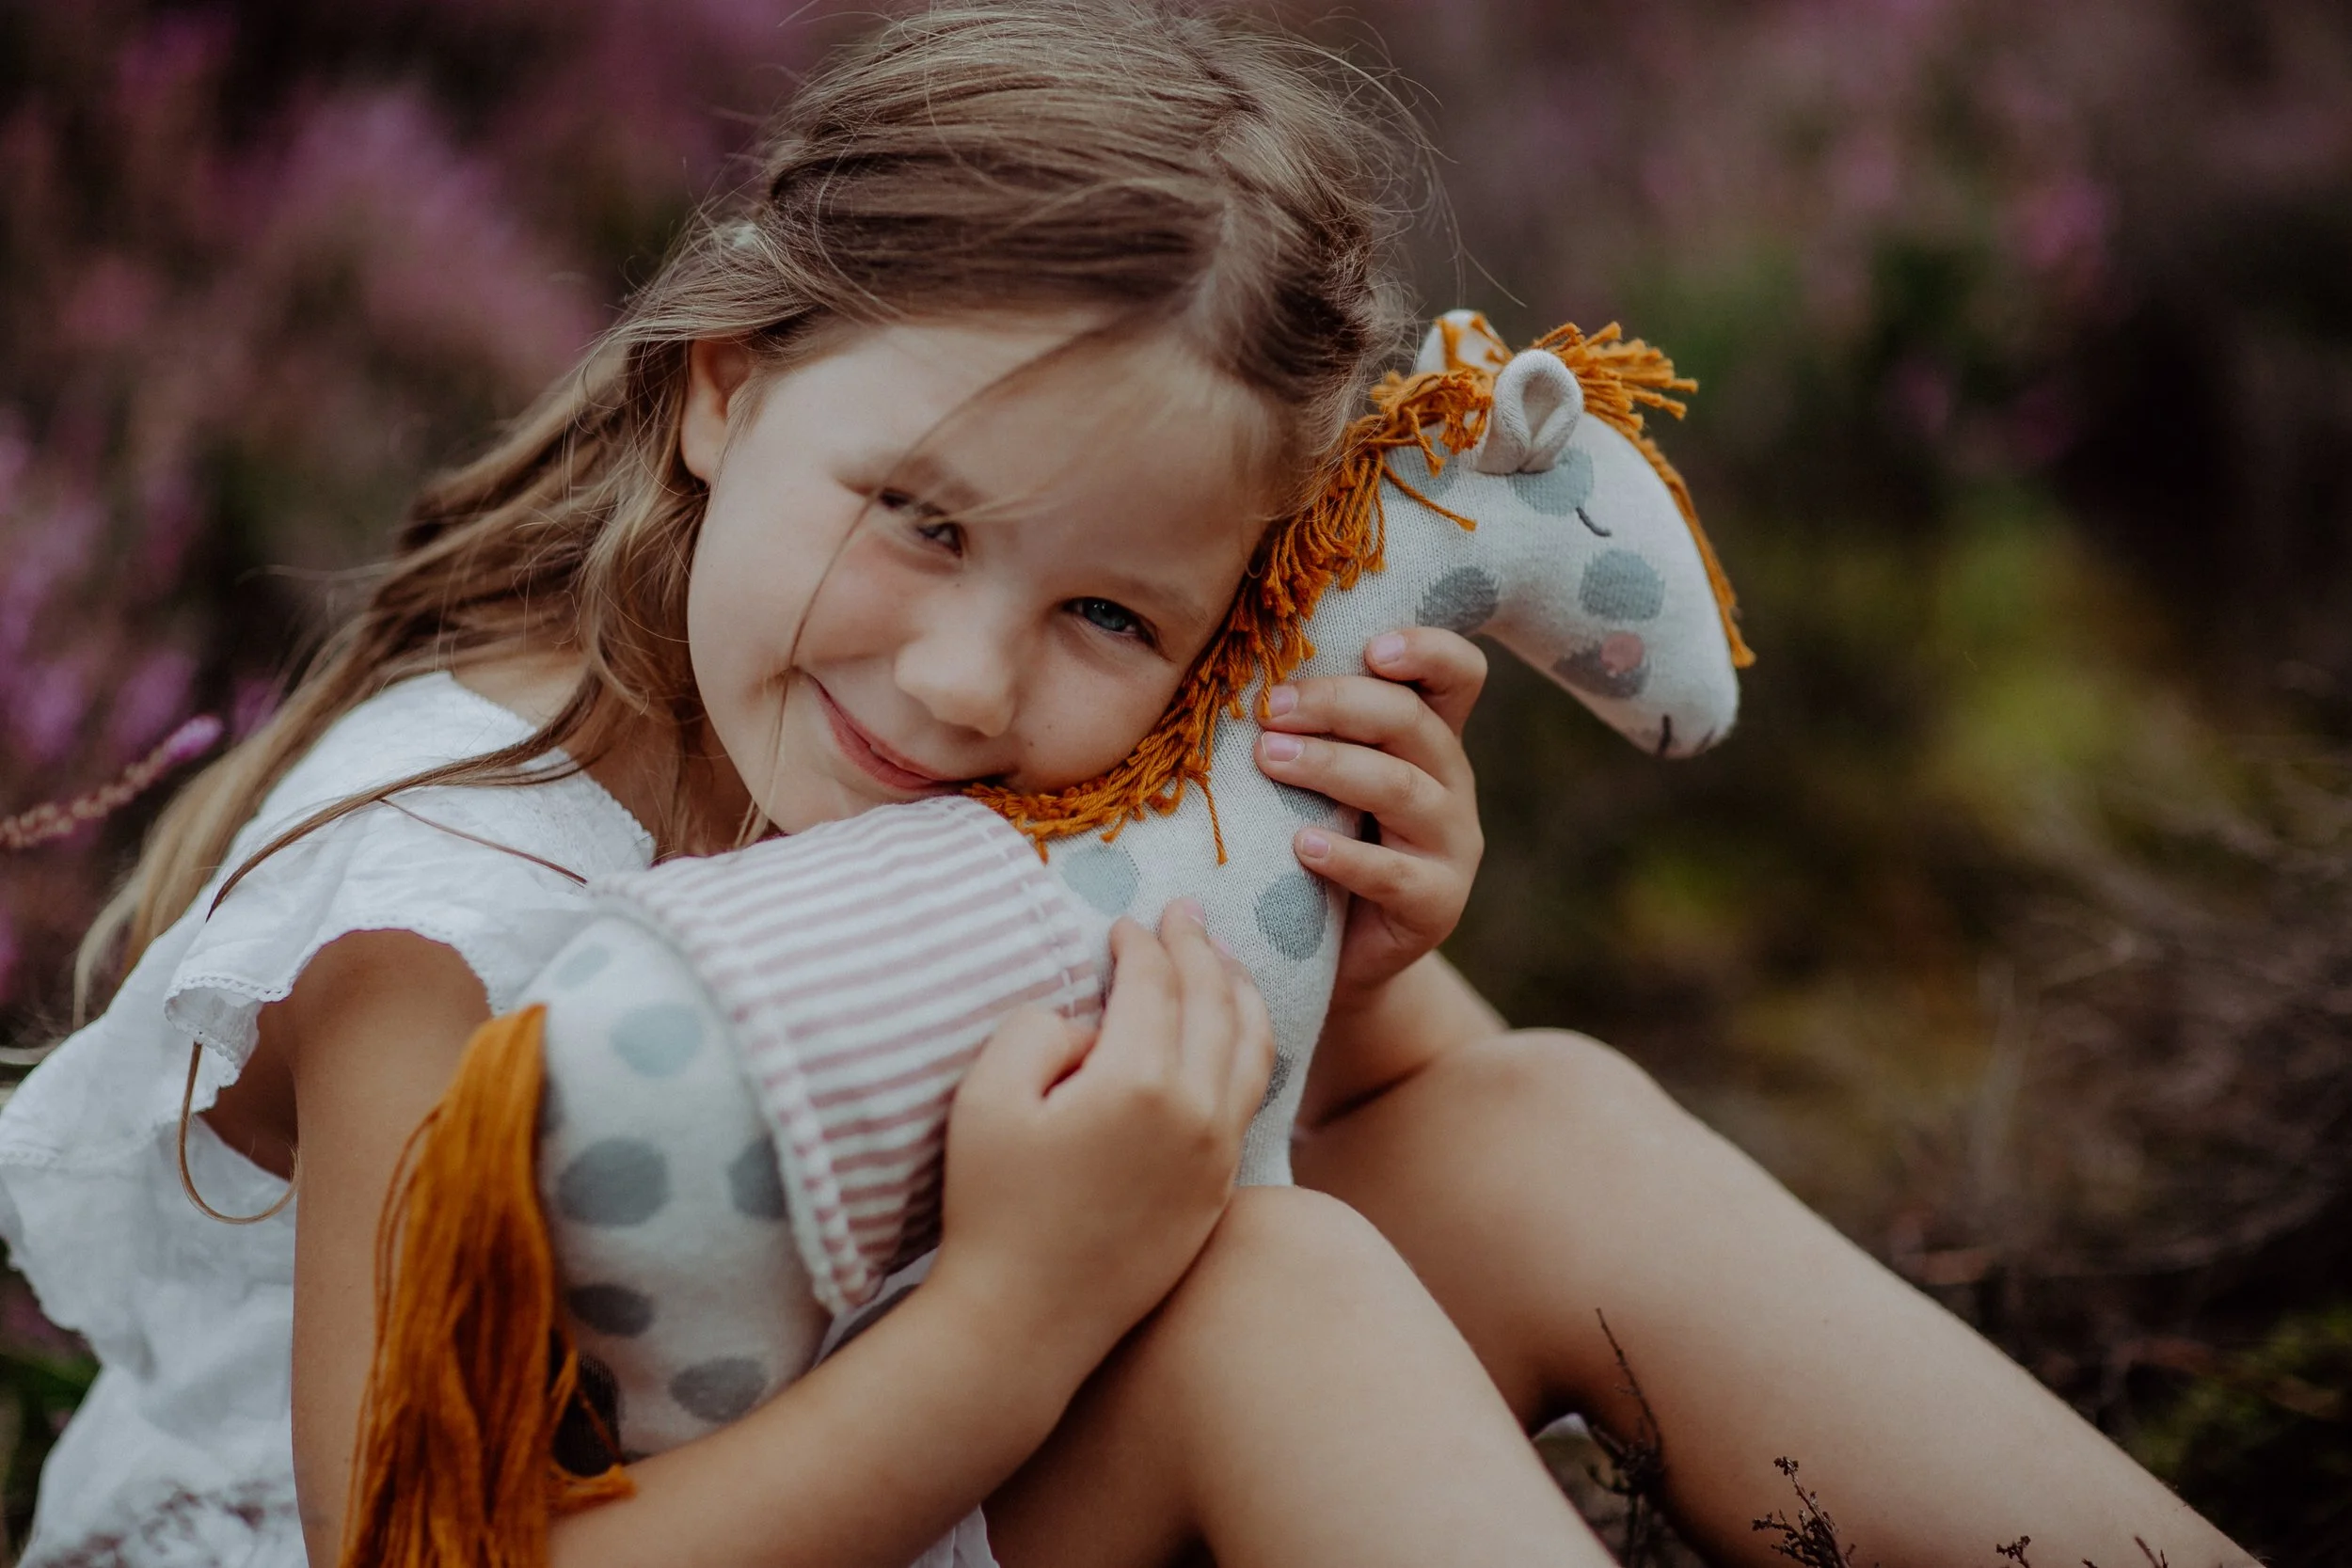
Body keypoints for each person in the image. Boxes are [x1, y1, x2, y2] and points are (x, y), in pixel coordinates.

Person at [0, 5, 2248, 1567]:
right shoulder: (439, 905)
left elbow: (1315, 1117)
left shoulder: (1052, 774)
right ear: (716, 388)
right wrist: (1022, 1308)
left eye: (1111, 618)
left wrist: (1366, 952)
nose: (966, 679)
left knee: (1528, 1111)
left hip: (876, 1442)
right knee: (1267, 1295)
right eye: (918, 513)